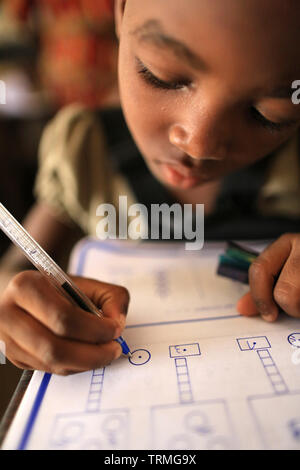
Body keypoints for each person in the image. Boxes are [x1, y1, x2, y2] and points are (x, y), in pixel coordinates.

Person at [0, 0, 299, 375]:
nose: (198, 145)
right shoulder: (86, 150)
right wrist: (13, 296)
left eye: (270, 115)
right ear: (120, 12)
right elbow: (16, 263)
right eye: (163, 76)